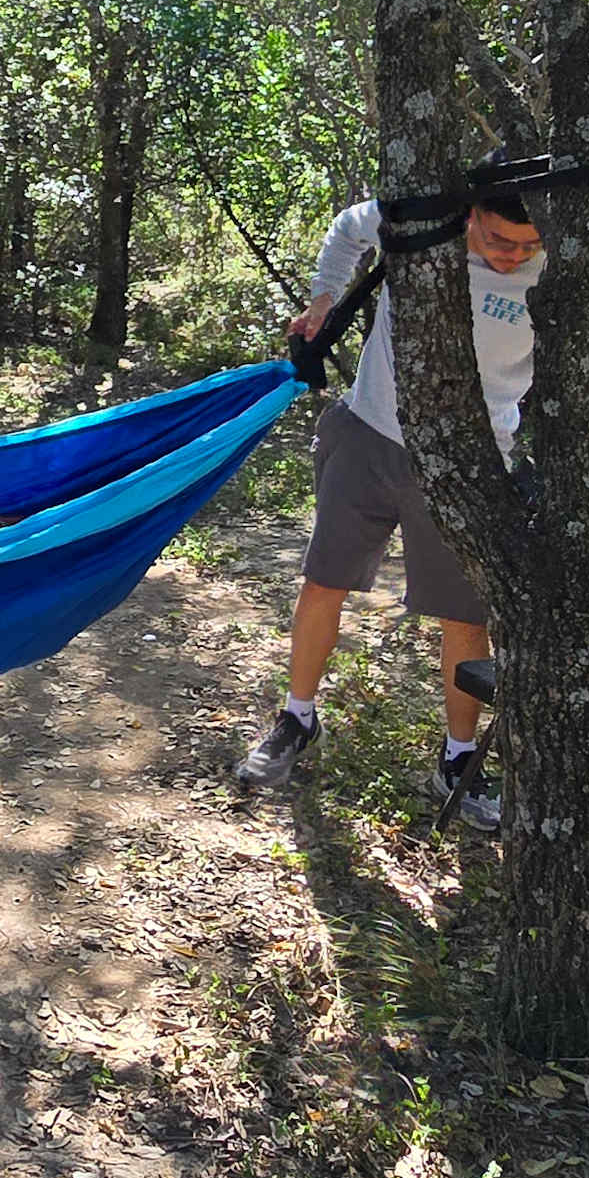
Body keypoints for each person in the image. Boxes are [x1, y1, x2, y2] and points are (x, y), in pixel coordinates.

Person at [238, 186, 546, 822]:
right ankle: (297, 719)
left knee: (465, 617)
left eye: (527, 246)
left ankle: (458, 759)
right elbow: (350, 228)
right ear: (473, 216)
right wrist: (324, 296)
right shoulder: (426, 219)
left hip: (472, 460)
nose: (512, 257)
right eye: (497, 240)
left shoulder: (566, 262)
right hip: (370, 432)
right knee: (323, 581)